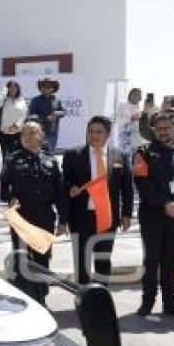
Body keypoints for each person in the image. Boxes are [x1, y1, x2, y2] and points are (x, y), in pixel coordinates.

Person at [133, 111, 174, 319]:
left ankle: (170, 303)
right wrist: (164, 203)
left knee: (171, 260)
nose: (163, 132)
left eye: (167, 128)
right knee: (152, 259)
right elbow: (142, 184)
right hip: (153, 213)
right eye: (159, 129)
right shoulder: (143, 152)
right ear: (154, 130)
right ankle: (148, 302)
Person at [1, 121, 68, 305]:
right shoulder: (12, 160)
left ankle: (41, 299)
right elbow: (3, 186)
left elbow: (60, 193)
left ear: (42, 136)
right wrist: (10, 197)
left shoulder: (52, 161)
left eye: (33, 133)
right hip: (21, 218)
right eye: (26, 134)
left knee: (42, 260)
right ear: (21, 137)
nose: (30, 137)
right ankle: (23, 299)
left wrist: (63, 220)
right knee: (21, 259)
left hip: (44, 217)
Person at [63, 116, 134, 285]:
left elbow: (127, 188)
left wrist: (127, 214)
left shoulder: (120, 156)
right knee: (82, 262)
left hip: (107, 217)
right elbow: (64, 182)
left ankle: (101, 300)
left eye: (99, 132)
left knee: (103, 261)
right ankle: (84, 300)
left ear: (108, 134)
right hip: (81, 217)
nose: (94, 135)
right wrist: (70, 187)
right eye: (90, 131)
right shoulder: (73, 155)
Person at [28, 77, 65, 152]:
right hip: (40, 132)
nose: (46, 88)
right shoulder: (35, 100)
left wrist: (59, 113)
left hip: (53, 133)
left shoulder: (57, 100)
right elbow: (31, 116)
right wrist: (46, 118)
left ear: (53, 88)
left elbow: (64, 112)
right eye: (44, 86)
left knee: (50, 155)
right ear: (41, 88)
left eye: (49, 87)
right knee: (39, 155)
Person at [0, 80, 28, 160]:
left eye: (14, 87)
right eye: (10, 87)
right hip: (3, 132)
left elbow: (24, 113)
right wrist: (4, 92)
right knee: (2, 155)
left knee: (15, 155)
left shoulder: (21, 99)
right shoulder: (3, 99)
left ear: (17, 89)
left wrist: (17, 125)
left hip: (16, 132)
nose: (13, 89)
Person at [116, 88, 143, 153]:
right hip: (124, 136)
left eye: (138, 95)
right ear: (129, 95)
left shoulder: (141, 109)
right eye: (134, 94)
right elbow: (117, 118)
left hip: (137, 138)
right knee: (125, 156)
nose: (135, 97)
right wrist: (130, 119)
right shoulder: (122, 106)